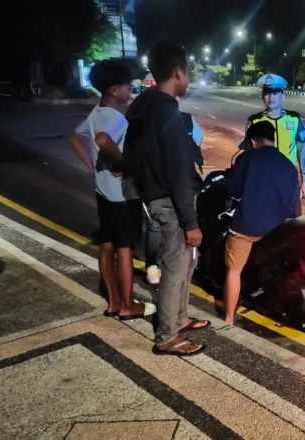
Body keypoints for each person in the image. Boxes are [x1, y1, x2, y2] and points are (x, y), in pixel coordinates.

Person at [123, 42, 209, 357]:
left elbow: (130, 157)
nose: (188, 79)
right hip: (171, 202)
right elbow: (177, 170)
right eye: (188, 72)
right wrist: (190, 221)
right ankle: (166, 336)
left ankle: (180, 317)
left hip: (155, 197)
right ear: (177, 72)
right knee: (175, 268)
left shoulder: (144, 106)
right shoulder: (166, 110)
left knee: (184, 264)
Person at [68, 59, 156, 321]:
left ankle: (114, 302)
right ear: (114, 90)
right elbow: (103, 140)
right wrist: (124, 162)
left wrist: (92, 166)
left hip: (102, 193)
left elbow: (75, 138)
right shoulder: (116, 117)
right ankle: (128, 305)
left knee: (106, 246)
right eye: (128, 87)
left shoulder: (96, 113)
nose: (131, 91)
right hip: (120, 196)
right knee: (125, 248)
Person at [224, 120, 300, 325]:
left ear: (252, 140)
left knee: (234, 270)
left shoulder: (247, 159)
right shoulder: (288, 164)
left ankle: (229, 318)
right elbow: (294, 199)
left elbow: (234, 190)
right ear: (272, 139)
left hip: (247, 227)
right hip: (278, 229)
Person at [144, 111, 203, 286]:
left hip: (184, 181)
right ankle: (152, 264)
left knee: (183, 222)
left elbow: (197, 141)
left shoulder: (186, 119)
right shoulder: (151, 119)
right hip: (158, 184)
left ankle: (184, 261)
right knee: (155, 225)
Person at [245, 74, 305, 217]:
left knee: (293, 224)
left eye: (275, 93)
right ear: (263, 97)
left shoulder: (294, 119)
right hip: (264, 180)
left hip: (288, 178)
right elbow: (248, 153)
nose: (271, 97)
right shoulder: (255, 121)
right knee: (265, 221)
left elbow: (303, 151)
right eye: (267, 93)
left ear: (283, 96)